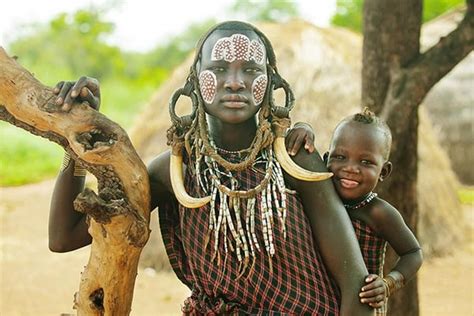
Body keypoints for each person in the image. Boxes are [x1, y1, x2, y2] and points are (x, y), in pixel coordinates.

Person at [49, 21, 373, 315]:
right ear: (193, 83)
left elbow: (354, 282)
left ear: (271, 81)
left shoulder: (294, 158)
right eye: (218, 68)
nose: (234, 82)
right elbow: (64, 237)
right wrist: (78, 135)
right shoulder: (174, 171)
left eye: (250, 70)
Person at [324, 108, 423, 315]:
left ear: (383, 172)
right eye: (340, 157)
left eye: (366, 162)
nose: (351, 168)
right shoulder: (319, 197)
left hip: (362, 305)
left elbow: (413, 253)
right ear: (326, 159)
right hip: (320, 301)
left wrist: (388, 284)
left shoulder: (379, 213)